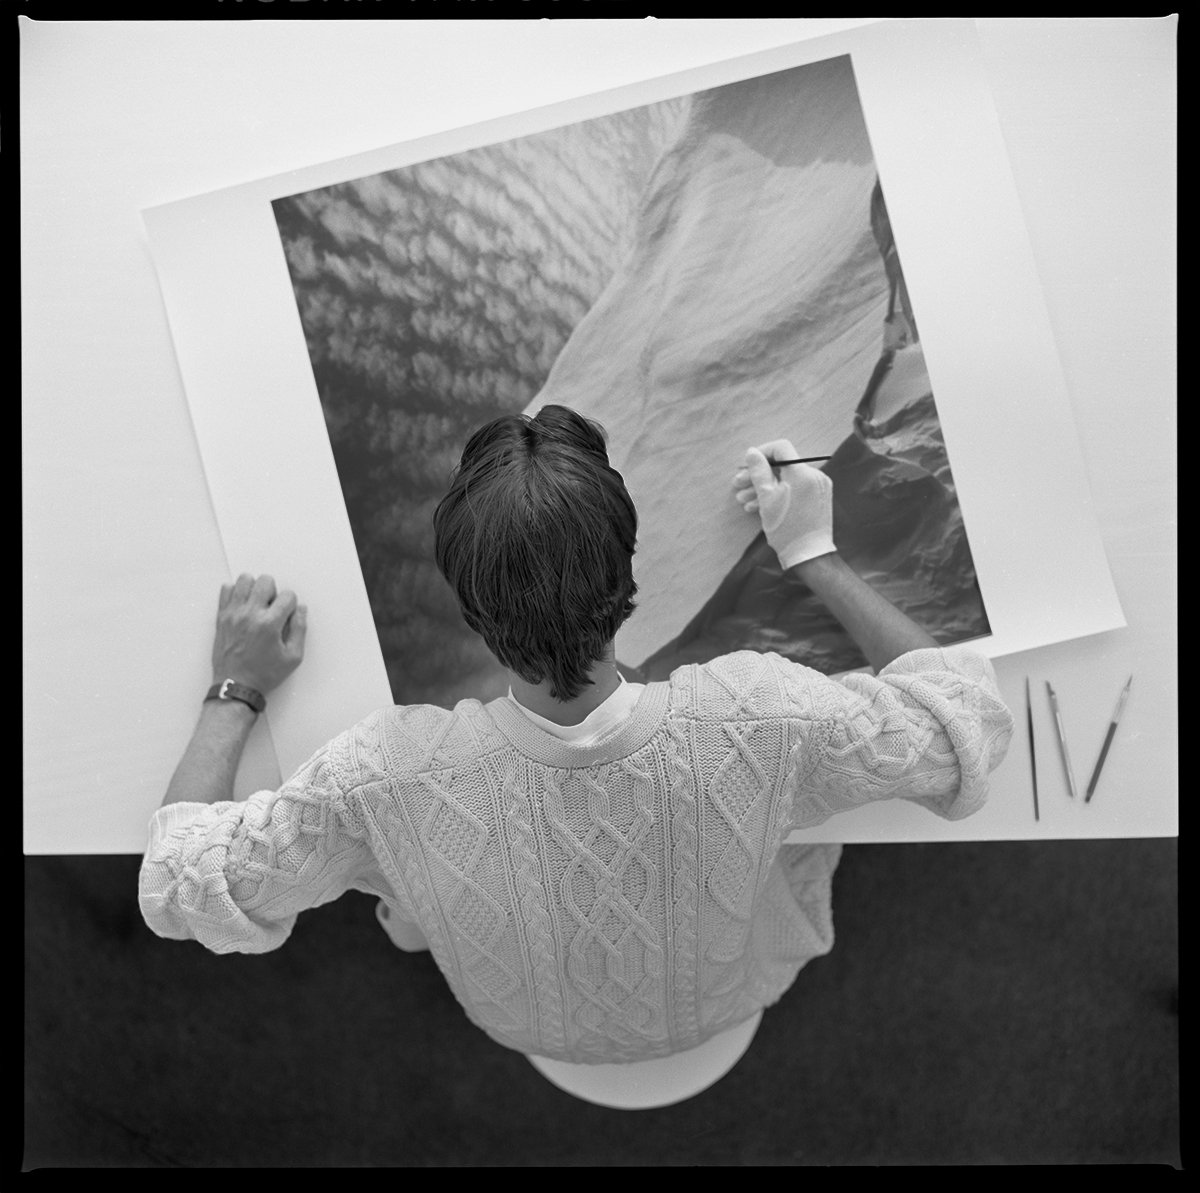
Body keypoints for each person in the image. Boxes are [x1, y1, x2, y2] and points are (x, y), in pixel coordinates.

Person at [139, 405, 1013, 1065]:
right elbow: (963, 720)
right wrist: (811, 549)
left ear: (470, 606)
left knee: (402, 901)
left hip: (518, 1021)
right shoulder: (763, 717)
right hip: (742, 980)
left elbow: (179, 884)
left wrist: (237, 687)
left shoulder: (383, 775)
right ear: (629, 573)